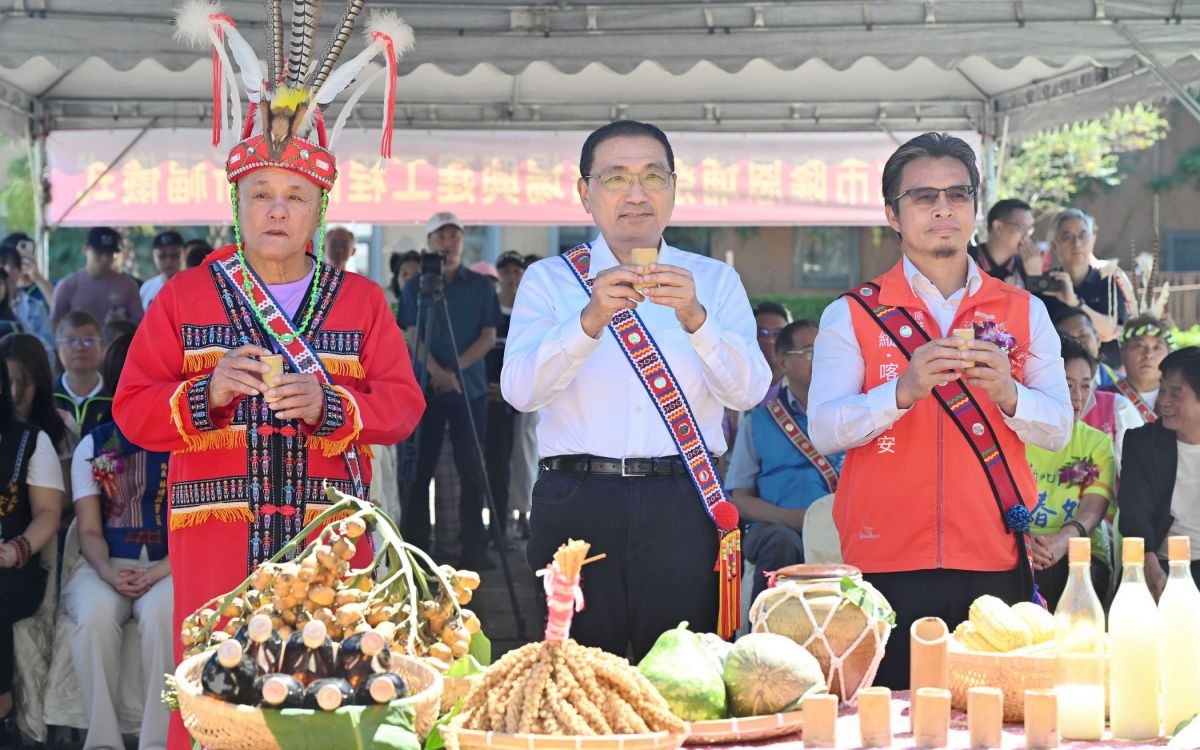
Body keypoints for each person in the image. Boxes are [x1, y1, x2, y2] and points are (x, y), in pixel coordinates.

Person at [115, 7, 423, 746]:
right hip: (213, 538)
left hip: (327, 539)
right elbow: (131, 411)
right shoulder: (186, 297)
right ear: (237, 204)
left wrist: (331, 403)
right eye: (260, 194)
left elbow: (404, 406)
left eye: (294, 196)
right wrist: (206, 392)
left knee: (329, 698)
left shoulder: (360, 300)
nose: (276, 210)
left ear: (320, 208)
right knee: (213, 696)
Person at [809, 131, 1072, 689]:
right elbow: (825, 428)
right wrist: (899, 392)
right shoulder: (852, 313)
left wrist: (1010, 394)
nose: (943, 208)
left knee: (993, 722)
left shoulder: (1023, 310)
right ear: (892, 214)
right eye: (923, 197)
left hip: (993, 557)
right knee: (887, 721)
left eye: (957, 194)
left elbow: (1059, 429)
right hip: (882, 561)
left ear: (975, 209)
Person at [502, 120, 770, 656]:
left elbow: (749, 393)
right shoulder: (551, 280)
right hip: (577, 496)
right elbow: (520, 392)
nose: (637, 194)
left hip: (683, 494)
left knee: (681, 672)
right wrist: (588, 320)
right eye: (615, 178)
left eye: (653, 176)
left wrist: (696, 319)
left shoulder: (713, 281)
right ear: (584, 192)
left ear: (674, 188)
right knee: (575, 672)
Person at [65, 332, 173, 750]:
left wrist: (162, 570)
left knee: (163, 614)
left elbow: (194, 525)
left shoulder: (186, 443)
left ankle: (159, 743)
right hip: (106, 563)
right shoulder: (98, 445)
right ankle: (102, 742)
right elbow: (89, 531)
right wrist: (108, 572)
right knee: (92, 616)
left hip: (171, 565)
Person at [399, 211, 500, 570]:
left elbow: (489, 336)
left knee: (472, 468)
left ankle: (474, 546)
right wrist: (439, 374)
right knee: (418, 468)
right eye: (441, 236)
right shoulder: (415, 288)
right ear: (429, 243)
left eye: (454, 235)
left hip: (468, 390)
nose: (448, 242)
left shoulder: (480, 286)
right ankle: (415, 549)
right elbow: (413, 336)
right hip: (424, 392)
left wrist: (455, 371)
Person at [726, 319, 843, 602]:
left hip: (840, 525)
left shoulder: (847, 413)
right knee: (782, 543)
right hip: (776, 528)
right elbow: (738, 498)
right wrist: (790, 518)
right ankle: (767, 636)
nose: (819, 359)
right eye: (808, 351)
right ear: (782, 362)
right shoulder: (759, 421)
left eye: (824, 350)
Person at [1024, 336, 1115, 610]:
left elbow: (1093, 509)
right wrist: (1026, 544)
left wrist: (1061, 541)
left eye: (1086, 386)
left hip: (1077, 548)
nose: (1077, 397)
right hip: (1017, 546)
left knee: (1061, 574)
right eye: (1067, 385)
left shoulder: (1096, 443)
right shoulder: (1014, 435)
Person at [0, 358, 63, 744]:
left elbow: (48, 514)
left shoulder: (29, 440)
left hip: (14, 568)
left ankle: (2, 702)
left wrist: (14, 550)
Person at [1118, 346, 1200, 595]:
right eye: (1162, 389)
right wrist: (1151, 566)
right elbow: (1134, 514)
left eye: (1176, 393)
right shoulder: (1142, 443)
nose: (1163, 401)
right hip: (1159, 562)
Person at [1033, 208, 1129, 367]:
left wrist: (1076, 303)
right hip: (1056, 372)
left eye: (1083, 235)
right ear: (1055, 246)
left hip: (1104, 372)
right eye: (1067, 237)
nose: (1076, 243)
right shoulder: (1045, 286)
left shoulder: (1107, 280)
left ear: (1093, 239)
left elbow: (1109, 331)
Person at [484, 251, 526, 544]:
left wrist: (511, 389)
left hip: (518, 400)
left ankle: (510, 523)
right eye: (507, 271)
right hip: (485, 397)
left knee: (516, 464)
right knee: (487, 465)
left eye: (516, 271)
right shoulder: (489, 310)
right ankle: (491, 527)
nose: (512, 277)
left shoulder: (527, 311)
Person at [50, 227, 144, 328]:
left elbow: (141, 325)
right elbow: (55, 325)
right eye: (99, 253)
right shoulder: (68, 285)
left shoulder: (128, 285)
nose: (105, 259)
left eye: (109, 254)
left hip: (117, 342)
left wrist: (122, 324)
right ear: (85, 249)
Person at [1101, 314, 1173, 423]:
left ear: (1169, 355)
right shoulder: (1102, 399)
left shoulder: (1181, 399)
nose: (1148, 354)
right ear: (1123, 353)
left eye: (1157, 347)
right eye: (1139, 346)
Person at [52, 311, 113, 435]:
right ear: (58, 349)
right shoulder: (47, 396)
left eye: (88, 341)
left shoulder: (115, 396)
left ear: (102, 347)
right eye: (71, 341)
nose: (80, 347)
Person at [969, 198, 1042, 289]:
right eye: (1023, 227)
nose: (1027, 236)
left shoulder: (1026, 269)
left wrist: (1036, 278)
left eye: (1029, 229)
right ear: (998, 227)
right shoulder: (964, 262)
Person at [0, 242, 53, 355]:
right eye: (2, 265)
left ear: (19, 271)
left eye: (13, 266)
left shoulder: (36, 308)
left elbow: (50, 351)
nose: (5, 271)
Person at [1054, 307, 1121, 388]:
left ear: (1097, 339)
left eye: (1082, 336)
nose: (1077, 343)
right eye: (1068, 339)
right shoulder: (1049, 383)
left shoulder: (1119, 385)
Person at [0, 232, 53, 307]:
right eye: (4, 262)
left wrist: (38, 278)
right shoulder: (2, 291)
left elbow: (61, 309)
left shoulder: (48, 286)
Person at [139, 231, 186, 310]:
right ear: (153, 256)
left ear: (184, 254)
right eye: (162, 256)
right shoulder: (147, 288)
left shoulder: (194, 286)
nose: (168, 260)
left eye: (174, 255)